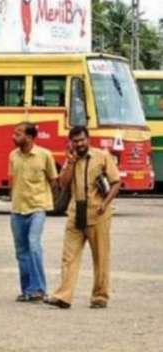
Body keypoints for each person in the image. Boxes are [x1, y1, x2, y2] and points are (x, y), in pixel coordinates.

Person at [45, 126, 120, 309]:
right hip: (75, 213)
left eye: (81, 140)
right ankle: (64, 296)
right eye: (75, 141)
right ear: (71, 143)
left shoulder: (102, 157)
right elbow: (62, 184)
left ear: (88, 139)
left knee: (101, 256)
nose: (79, 144)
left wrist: (105, 203)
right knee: (69, 257)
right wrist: (70, 162)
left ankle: (100, 296)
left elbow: (116, 182)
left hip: (98, 213)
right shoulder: (71, 160)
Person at [8, 122, 58, 302]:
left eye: (19, 133)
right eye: (15, 133)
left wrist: (49, 201)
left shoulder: (45, 155)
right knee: (21, 251)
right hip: (17, 209)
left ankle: (39, 288)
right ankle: (27, 289)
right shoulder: (13, 156)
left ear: (29, 137)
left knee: (34, 245)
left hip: (37, 207)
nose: (14, 136)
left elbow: (53, 180)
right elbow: (12, 180)